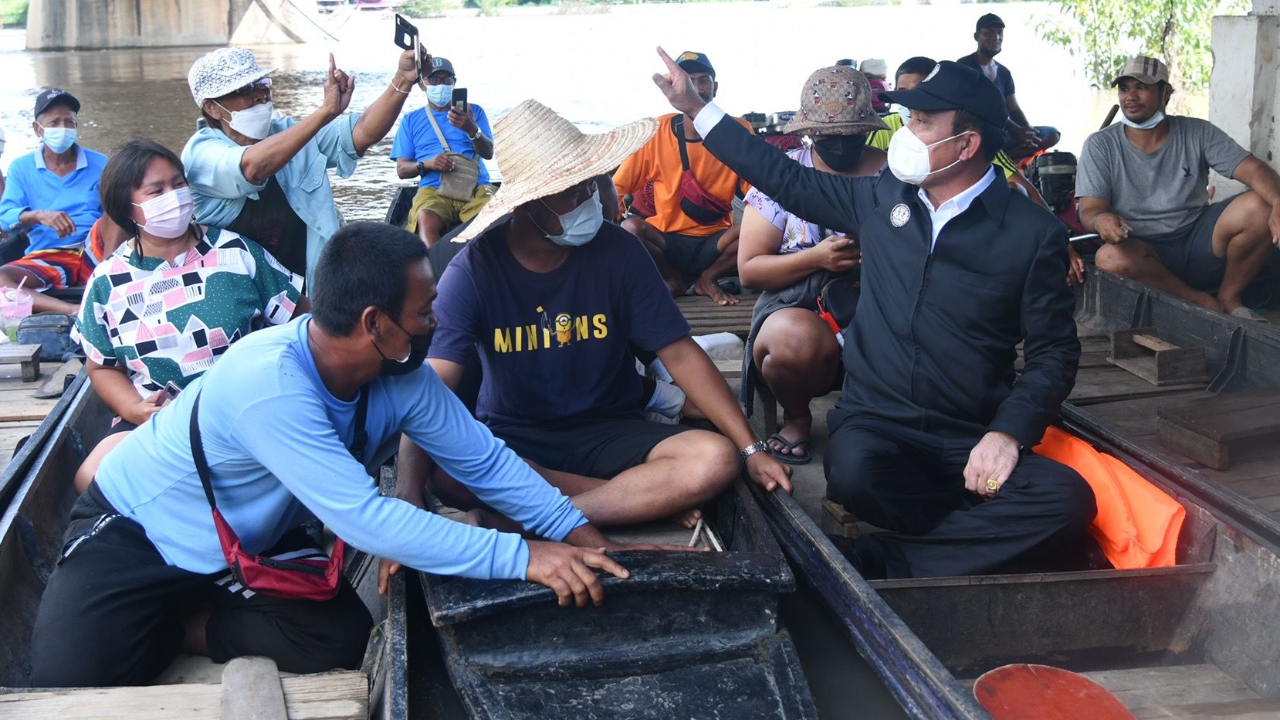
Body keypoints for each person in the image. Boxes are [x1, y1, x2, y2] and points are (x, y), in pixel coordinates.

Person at [29, 220, 641, 688]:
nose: (435, 322)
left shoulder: (404, 376)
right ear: (374, 323)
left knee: (340, 638)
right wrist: (525, 555)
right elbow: (365, 519)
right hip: (140, 533)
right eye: (424, 311)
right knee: (67, 683)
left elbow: (485, 461)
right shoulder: (269, 382)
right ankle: (159, 612)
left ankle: (182, 627)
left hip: (249, 543)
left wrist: (582, 537)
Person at [653, 50, 1096, 579]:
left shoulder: (1032, 233)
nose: (905, 133)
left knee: (1068, 499)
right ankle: (976, 539)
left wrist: (1006, 435)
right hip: (878, 426)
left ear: (967, 145)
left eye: (922, 122)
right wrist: (696, 107)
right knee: (855, 476)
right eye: (908, 118)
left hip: (970, 433)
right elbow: (782, 177)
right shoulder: (884, 197)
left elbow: (1054, 354)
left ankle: (889, 559)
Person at [396, 99, 792, 534]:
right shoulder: (474, 270)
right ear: (528, 202)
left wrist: (751, 449)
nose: (590, 200)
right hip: (515, 438)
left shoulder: (619, 251)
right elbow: (433, 389)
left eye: (590, 185)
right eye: (573, 192)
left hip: (612, 429)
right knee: (444, 472)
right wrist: (407, 494)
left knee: (714, 459)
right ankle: (625, 497)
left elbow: (679, 354)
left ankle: (531, 519)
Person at [71, 139, 308, 494]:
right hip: (158, 420)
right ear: (128, 208)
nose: (175, 196)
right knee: (90, 478)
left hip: (246, 408)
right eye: (157, 191)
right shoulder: (107, 281)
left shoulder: (236, 252)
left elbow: (302, 321)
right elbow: (102, 367)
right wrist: (135, 410)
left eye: (178, 184)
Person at [738, 66, 889, 465]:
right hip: (802, 306)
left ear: (867, 130)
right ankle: (797, 415)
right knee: (793, 339)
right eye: (827, 136)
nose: (839, 144)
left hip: (879, 305)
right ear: (809, 133)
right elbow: (749, 269)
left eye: (851, 135)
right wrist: (816, 257)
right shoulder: (783, 175)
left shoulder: (894, 174)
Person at [182, 47, 420, 286]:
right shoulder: (201, 153)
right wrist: (325, 112)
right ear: (212, 107)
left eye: (262, 84)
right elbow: (252, 168)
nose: (261, 95)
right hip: (235, 293)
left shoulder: (286, 131)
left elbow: (362, 133)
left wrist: (403, 79)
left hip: (301, 291)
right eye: (244, 89)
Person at [1077, 56, 1280, 321]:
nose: (1131, 96)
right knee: (1109, 258)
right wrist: (1101, 220)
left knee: (1262, 204)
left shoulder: (1197, 131)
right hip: (1144, 252)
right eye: (1124, 88)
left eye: (1142, 87)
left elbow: (1253, 169)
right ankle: (1200, 302)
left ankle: (1229, 297)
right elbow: (1090, 210)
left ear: (1166, 93)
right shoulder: (1100, 145)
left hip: (1200, 242)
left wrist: (1278, 202)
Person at [871, 57, 1085, 285]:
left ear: (967, 144)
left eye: (923, 117)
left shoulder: (972, 147)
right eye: (903, 92)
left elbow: (1024, 188)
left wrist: (1061, 243)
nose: (911, 105)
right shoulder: (883, 131)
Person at [614, 51, 753, 306]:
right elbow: (617, 190)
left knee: (762, 223)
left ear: (715, 87)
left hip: (717, 243)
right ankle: (672, 279)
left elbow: (759, 193)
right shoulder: (656, 132)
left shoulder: (738, 130)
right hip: (667, 243)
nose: (696, 89)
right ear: (672, 91)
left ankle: (708, 278)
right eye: (688, 81)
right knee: (630, 229)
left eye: (703, 80)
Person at [0, 89, 106, 315]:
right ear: (38, 129)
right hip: (50, 255)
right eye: (54, 122)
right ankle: (73, 310)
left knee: (117, 213)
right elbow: (5, 218)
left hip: (97, 251)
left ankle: (111, 282)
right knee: (2, 278)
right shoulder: (21, 168)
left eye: (69, 122)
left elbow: (118, 213)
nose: (63, 128)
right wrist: (38, 216)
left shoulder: (101, 163)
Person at [392, 56, 496, 247]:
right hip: (433, 190)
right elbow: (402, 169)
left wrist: (471, 129)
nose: (441, 85)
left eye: (447, 80)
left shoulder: (474, 112)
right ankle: (436, 265)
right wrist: (427, 164)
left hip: (476, 186)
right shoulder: (411, 120)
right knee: (425, 218)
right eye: (434, 80)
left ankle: (481, 262)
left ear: (454, 83)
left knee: (494, 220)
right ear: (422, 84)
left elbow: (488, 153)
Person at [957, 13, 1061, 161]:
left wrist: (1027, 130)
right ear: (976, 36)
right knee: (987, 137)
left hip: (1005, 133)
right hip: (979, 132)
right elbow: (981, 108)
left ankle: (1006, 157)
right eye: (989, 32)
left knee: (1052, 134)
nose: (996, 37)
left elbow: (1014, 108)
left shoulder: (1004, 72)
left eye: (1000, 33)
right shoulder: (964, 66)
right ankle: (999, 159)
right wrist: (1016, 130)